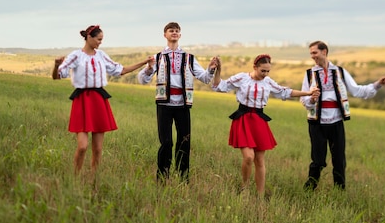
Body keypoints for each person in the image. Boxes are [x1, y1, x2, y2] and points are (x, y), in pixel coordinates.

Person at [211, 54, 319, 197]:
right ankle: (244, 188)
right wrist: (218, 70)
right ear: (255, 67)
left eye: (268, 71)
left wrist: (308, 93)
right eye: (263, 71)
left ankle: (260, 195)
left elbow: (284, 92)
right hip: (243, 119)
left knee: (260, 160)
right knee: (248, 157)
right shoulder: (242, 78)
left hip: (259, 121)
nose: (265, 74)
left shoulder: (268, 82)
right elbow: (220, 86)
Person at [52, 25, 152, 175]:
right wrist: (56, 65)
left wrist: (144, 62)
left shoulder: (101, 55)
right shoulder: (76, 55)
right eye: (99, 39)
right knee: (82, 146)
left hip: (99, 100)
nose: (100, 42)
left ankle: (94, 178)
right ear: (89, 37)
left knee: (98, 149)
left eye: (102, 40)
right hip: (82, 100)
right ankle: (75, 177)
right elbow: (57, 76)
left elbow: (121, 70)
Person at [137, 22, 219, 182]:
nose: (174, 33)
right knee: (166, 142)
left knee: (184, 142)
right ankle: (162, 177)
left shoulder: (189, 58)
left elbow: (204, 78)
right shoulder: (158, 57)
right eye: (171, 30)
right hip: (164, 105)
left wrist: (210, 68)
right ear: (165, 35)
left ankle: (183, 178)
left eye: (176, 31)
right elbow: (142, 79)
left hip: (183, 105)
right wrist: (148, 68)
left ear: (180, 35)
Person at [300, 40, 385, 191]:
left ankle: (339, 192)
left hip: (336, 121)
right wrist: (312, 99)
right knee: (318, 160)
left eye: (314, 53)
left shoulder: (340, 72)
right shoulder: (309, 74)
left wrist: (377, 85)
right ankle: (308, 190)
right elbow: (303, 99)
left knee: (339, 160)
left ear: (324, 52)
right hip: (316, 123)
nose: (312, 56)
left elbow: (357, 90)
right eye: (311, 54)